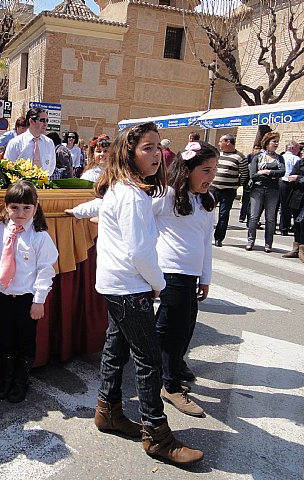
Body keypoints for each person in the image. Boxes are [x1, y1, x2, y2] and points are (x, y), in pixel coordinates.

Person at [93, 122, 203, 464]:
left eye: (158, 147)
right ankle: (157, 434)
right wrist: (159, 283)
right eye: (147, 148)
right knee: (149, 357)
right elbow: (140, 252)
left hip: (118, 283)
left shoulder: (127, 190)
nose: (156, 154)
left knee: (116, 347)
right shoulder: (130, 195)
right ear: (130, 153)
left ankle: (107, 409)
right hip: (129, 286)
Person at [0, 181, 58, 403]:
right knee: (5, 337)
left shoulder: (40, 237)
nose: (20, 213)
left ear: (36, 207)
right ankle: (7, 377)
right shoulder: (1, 230)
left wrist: (39, 301)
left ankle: (21, 380)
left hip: (26, 298)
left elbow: (45, 271)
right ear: (6, 206)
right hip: (0, 293)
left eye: (26, 208)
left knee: (25, 339)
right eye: (14, 207)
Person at [154, 141, 217, 417]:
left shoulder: (206, 200)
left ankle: (166, 365)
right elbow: (137, 216)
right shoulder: (166, 196)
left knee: (184, 324)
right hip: (169, 272)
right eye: (205, 170)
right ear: (187, 169)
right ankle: (169, 384)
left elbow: (206, 241)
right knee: (174, 328)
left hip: (191, 275)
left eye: (214, 169)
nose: (211, 176)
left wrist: (205, 276)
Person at [246, 132, 285, 252]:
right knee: (253, 217)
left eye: (277, 141)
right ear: (267, 143)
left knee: (270, 218)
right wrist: (271, 175)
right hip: (257, 189)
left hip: (273, 190)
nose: (276, 144)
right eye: (274, 141)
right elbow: (253, 175)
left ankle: (268, 244)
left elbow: (282, 172)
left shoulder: (279, 158)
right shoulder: (258, 157)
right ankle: (250, 241)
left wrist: (267, 172)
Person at [211, 134, 247, 247]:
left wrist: (236, 184)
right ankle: (205, 236)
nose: (219, 144)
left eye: (221, 141)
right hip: (213, 188)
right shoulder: (217, 155)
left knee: (224, 214)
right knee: (207, 212)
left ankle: (219, 238)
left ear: (228, 142)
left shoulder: (240, 157)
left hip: (228, 190)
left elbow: (244, 174)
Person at [4, 108, 56, 176]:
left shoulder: (49, 143)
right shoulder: (15, 143)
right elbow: (8, 167)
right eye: (42, 120)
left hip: (43, 184)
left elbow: (51, 167)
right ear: (31, 121)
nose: (45, 124)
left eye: (47, 120)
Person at [279, 140, 301, 235]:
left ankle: (280, 227)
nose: (299, 151)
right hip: (290, 183)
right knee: (289, 206)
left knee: (280, 206)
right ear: (292, 148)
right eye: (298, 148)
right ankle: (287, 227)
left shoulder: (281, 157)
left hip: (280, 182)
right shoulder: (296, 159)